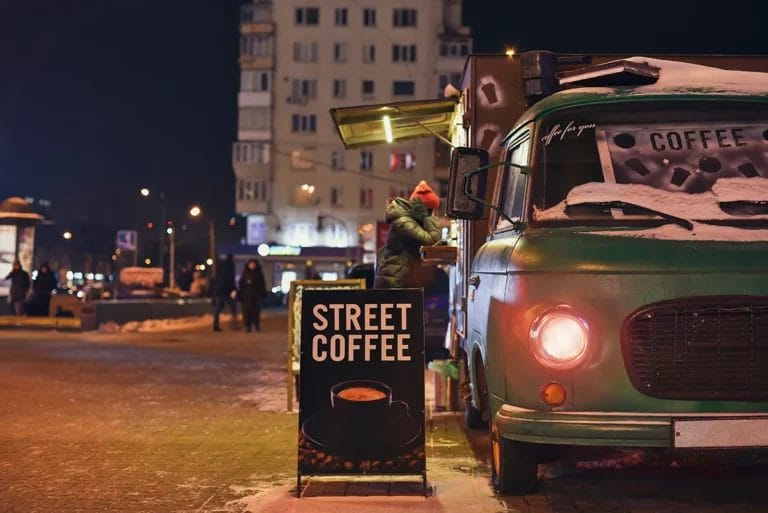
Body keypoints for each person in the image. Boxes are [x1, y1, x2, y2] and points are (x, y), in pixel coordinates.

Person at [374, 180, 442, 289]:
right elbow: (432, 241)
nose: (433, 215)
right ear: (423, 210)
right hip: (395, 282)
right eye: (432, 211)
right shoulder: (404, 222)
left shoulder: (408, 221)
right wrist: (428, 218)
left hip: (399, 278)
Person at [238, 258, 267, 332]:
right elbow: (241, 284)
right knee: (246, 312)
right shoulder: (245, 274)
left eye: (253, 264)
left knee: (256, 312)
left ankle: (256, 325)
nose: (252, 266)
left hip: (256, 297)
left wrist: (261, 295)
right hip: (247, 297)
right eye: (251, 264)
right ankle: (248, 326)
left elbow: (262, 285)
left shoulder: (259, 274)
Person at [212, 254, 237, 331]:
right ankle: (234, 325)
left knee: (218, 309)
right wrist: (234, 288)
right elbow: (231, 279)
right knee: (233, 309)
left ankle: (216, 325)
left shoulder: (221, 267)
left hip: (220, 291)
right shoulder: (230, 266)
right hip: (226, 291)